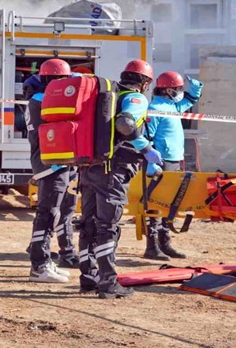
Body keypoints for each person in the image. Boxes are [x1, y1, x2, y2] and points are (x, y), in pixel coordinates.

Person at [79, 59, 163, 299]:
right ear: (145, 82)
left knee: (88, 224)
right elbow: (125, 123)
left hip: (89, 167)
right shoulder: (135, 98)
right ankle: (108, 283)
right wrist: (145, 148)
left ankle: (88, 278)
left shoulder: (106, 97)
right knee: (107, 225)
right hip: (113, 170)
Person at [24, 60, 78, 283]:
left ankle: (46, 262)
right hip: (50, 164)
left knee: (55, 212)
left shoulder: (41, 99)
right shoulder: (43, 101)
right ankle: (39, 266)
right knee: (47, 215)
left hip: (55, 163)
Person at [142, 71, 203, 260]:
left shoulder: (172, 106)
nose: (179, 92)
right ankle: (152, 247)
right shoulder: (155, 107)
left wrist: (196, 88)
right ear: (168, 89)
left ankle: (165, 244)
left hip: (174, 161)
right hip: (161, 163)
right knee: (156, 204)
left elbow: (190, 100)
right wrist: (150, 162)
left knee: (169, 205)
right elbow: (147, 136)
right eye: (177, 89)